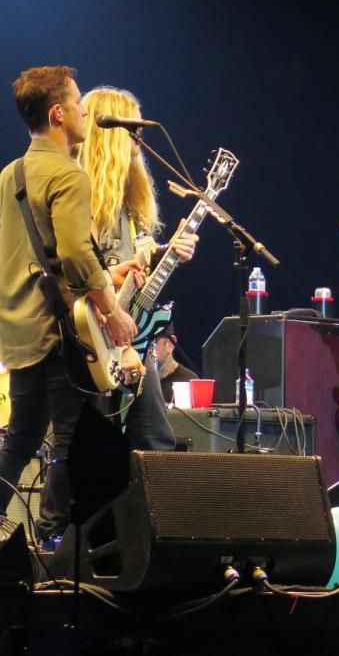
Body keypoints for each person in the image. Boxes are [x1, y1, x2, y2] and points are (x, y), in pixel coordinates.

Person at [0, 66, 141, 542]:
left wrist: (104, 276)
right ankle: (54, 544)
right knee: (70, 440)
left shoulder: (10, 175)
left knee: (19, 442)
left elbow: (33, 255)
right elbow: (77, 254)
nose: (85, 111)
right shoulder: (68, 174)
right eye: (79, 103)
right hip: (61, 331)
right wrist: (112, 310)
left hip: (19, 331)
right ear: (58, 114)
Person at [76, 86, 199, 450]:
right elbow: (87, 278)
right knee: (94, 448)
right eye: (132, 125)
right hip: (100, 344)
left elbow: (132, 273)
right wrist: (122, 342)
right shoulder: (81, 197)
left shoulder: (129, 204)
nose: (140, 133)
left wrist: (166, 253)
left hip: (131, 337)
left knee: (155, 443)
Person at [153, 321, 199, 403]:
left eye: (153, 340)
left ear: (170, 343)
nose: (146, 347)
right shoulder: (136, 381)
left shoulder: (189, 381)